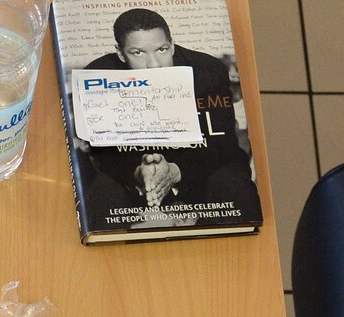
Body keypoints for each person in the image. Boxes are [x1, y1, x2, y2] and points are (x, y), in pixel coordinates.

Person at [82, 6, 258, 218]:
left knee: (234, 183)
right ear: (120, 53)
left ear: (172, 45)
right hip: (133, 177)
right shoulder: (99, 74)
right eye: (138, 53)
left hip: (197, 172)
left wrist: (177, 171)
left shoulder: (208, 71)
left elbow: (223, 144)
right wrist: (137, 172)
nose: (154, 65)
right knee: (102, 191)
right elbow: (101, 151)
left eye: (162, 50)